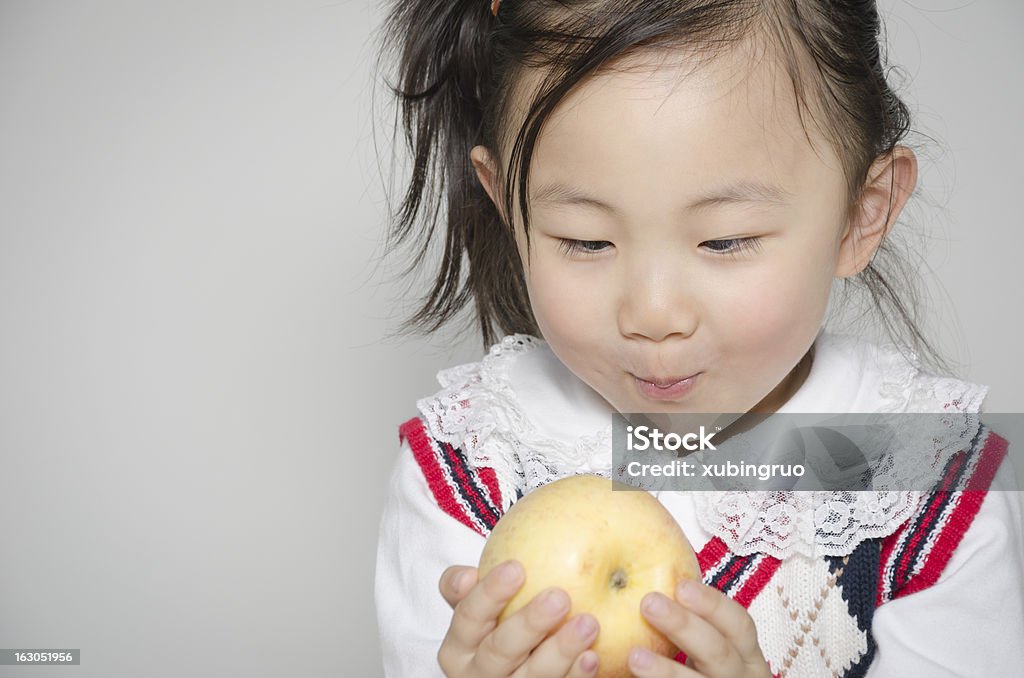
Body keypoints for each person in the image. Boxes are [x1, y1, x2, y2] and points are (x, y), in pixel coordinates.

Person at [373, 1, 1024, 676]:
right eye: (585, 241)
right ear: (508, 207)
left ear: (862, 215)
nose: (653, 313)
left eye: (725, 240)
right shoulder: (471, 465)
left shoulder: (930, 489)